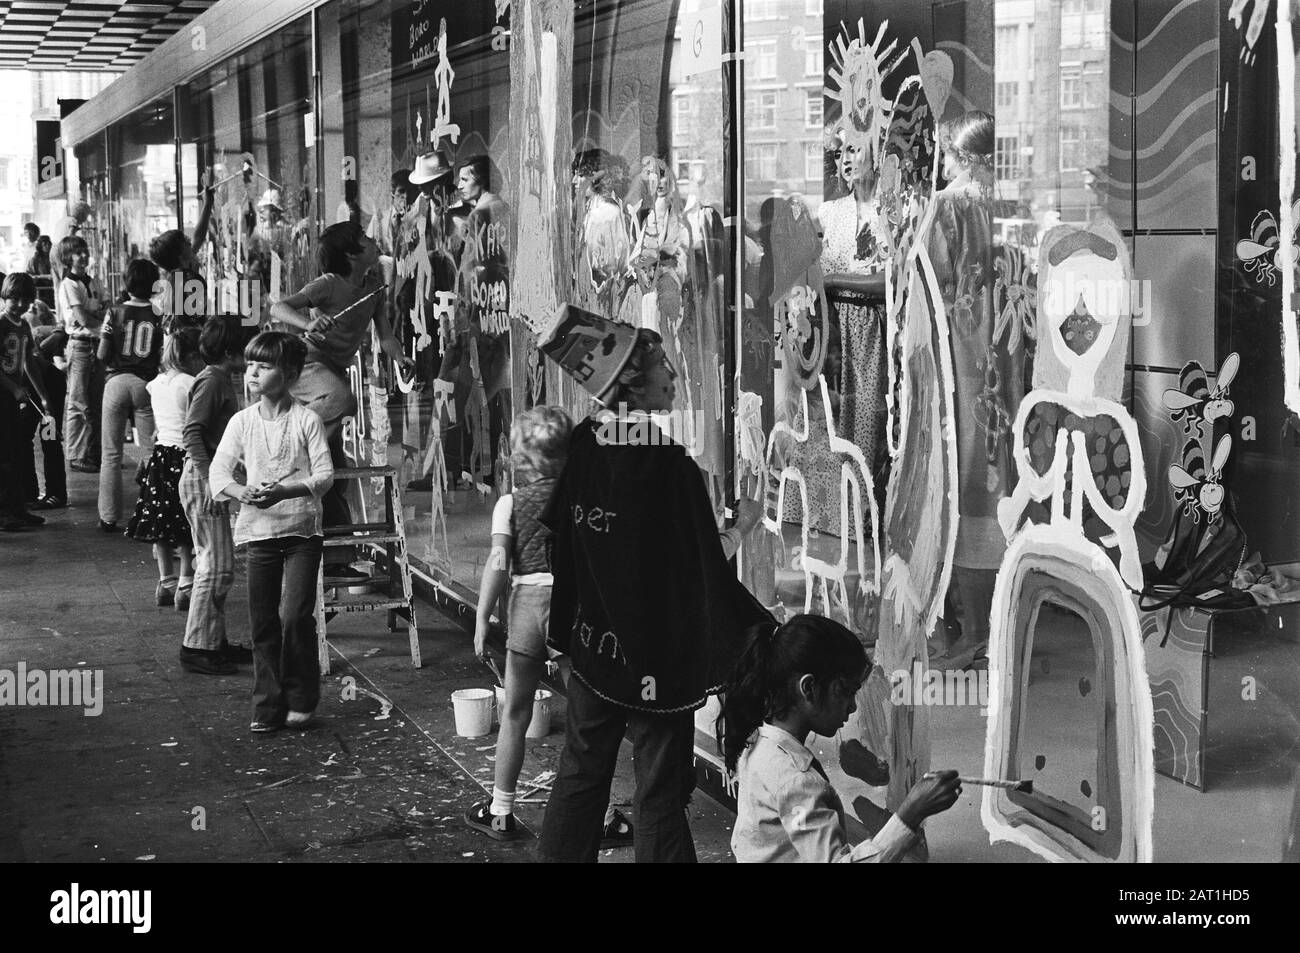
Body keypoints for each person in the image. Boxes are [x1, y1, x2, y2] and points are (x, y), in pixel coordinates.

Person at [536, 307, 768, 863]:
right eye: (662, 361)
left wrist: (562, 636)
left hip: (596, 648)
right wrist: (746, 525)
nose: (673, 371)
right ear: (633, 382)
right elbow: (701, 567)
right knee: (660, 791)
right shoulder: (669, 466)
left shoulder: (584, 448)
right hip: (658, 664)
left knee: (582, 771)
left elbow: (565, 547)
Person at [464, 406, 633, 847]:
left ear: (520, 458)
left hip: (525, 607)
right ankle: (603, 815)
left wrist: (482, 620)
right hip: (572, 612)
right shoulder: (583, 498)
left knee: (515, 713)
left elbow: (499, 563)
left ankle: (500, 811)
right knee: (587, 721)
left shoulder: (509, 504)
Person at [718, 615, 962, 862]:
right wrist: (910, 813)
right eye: (845, 691)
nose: (853, 707)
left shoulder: (759, 741)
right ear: (809, 688)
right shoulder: (794, 781)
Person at [925, 111, 1023, 672]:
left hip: (959, 358)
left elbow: (930, 281)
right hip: (1006, 358)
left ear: (957, 151)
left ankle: (969, 630)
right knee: (999, 476)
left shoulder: (949, 203)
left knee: (958, 479)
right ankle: (999, 624)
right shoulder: (1009, 206)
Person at [269, 222, 415, 582]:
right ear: (352, 253)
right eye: (364, 239)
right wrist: (307, 324)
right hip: (305, 365)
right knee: (342, 400)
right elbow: (278, 308)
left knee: (333, 474)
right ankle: (285, 447)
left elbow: (386, 335)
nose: (371, 241)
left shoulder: (373, 288)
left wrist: (400, 358)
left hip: (330, 369)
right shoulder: (330, 284)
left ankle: (336, 559)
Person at [208, 331, 332, 733]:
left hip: (302, 533)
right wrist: (241, 491)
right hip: (258, 534)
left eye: (264, 365)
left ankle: (302, 696)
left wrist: (286, 492)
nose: (252, 373)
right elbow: (218, 472)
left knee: (295, 616)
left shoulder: (307, 419)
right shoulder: (241, 422)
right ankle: (268, 702)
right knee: (263, 622)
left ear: (291, 372)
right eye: (250, 365)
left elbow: (325, 476)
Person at [179, 315, 249, 676]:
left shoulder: (219, 378)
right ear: (231, 351)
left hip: (209, 478)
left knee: (218, 564)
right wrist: (211, 480)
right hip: (201, 480)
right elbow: (192, 432)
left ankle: (213, 641)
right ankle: (196, 647)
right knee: (215, 567)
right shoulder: (212, 381)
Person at [127, 326, 202, 607]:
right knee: (183, 523)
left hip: (160, 459)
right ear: (192, 355)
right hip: (183, 458)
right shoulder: (191, 383)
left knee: (161, 522)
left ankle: (165, 582)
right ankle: (185, 582)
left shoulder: (154, 384)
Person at [97, 259, 163, 532]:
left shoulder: (114, 312)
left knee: (111, 454)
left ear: (127, 283)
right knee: (150, 450)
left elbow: (101, 353)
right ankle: (153, 510)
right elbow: (162, 354)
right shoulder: (159, 313)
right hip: (145, 385)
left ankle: (109, 517)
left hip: (115, 382)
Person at [0, 274, 49, 532]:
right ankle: (5, 512)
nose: (19, 304)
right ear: (5, 297)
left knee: (17, 452)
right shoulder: (1, 323)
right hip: (4, 397)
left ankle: (18, 508)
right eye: (14, 298)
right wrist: (13, 388)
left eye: (25, 300)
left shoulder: (23, 326)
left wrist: (42, 395)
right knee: (4, 456)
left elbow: (29, 362)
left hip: (14, 397)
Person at [58, 235, 108, 473]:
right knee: (78, 403)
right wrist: (100, 318)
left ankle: (94, 453)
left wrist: (100, 318)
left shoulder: (94, 281)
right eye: (78, 252)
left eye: (85, 251)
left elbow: (107, 311)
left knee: (97, 402)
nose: (84, 256)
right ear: (68, 258)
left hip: (97, 343)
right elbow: (83, 319)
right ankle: (76, 455)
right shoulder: (69, 285)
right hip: (79, 345)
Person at [21, 299, 66, 509]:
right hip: (30, 389)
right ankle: (29, 494)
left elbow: (28, 365)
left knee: (49, 437)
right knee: (22, 437)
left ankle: (56, 493)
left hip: (49, 385)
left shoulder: (17, 324)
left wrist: (46, 401)